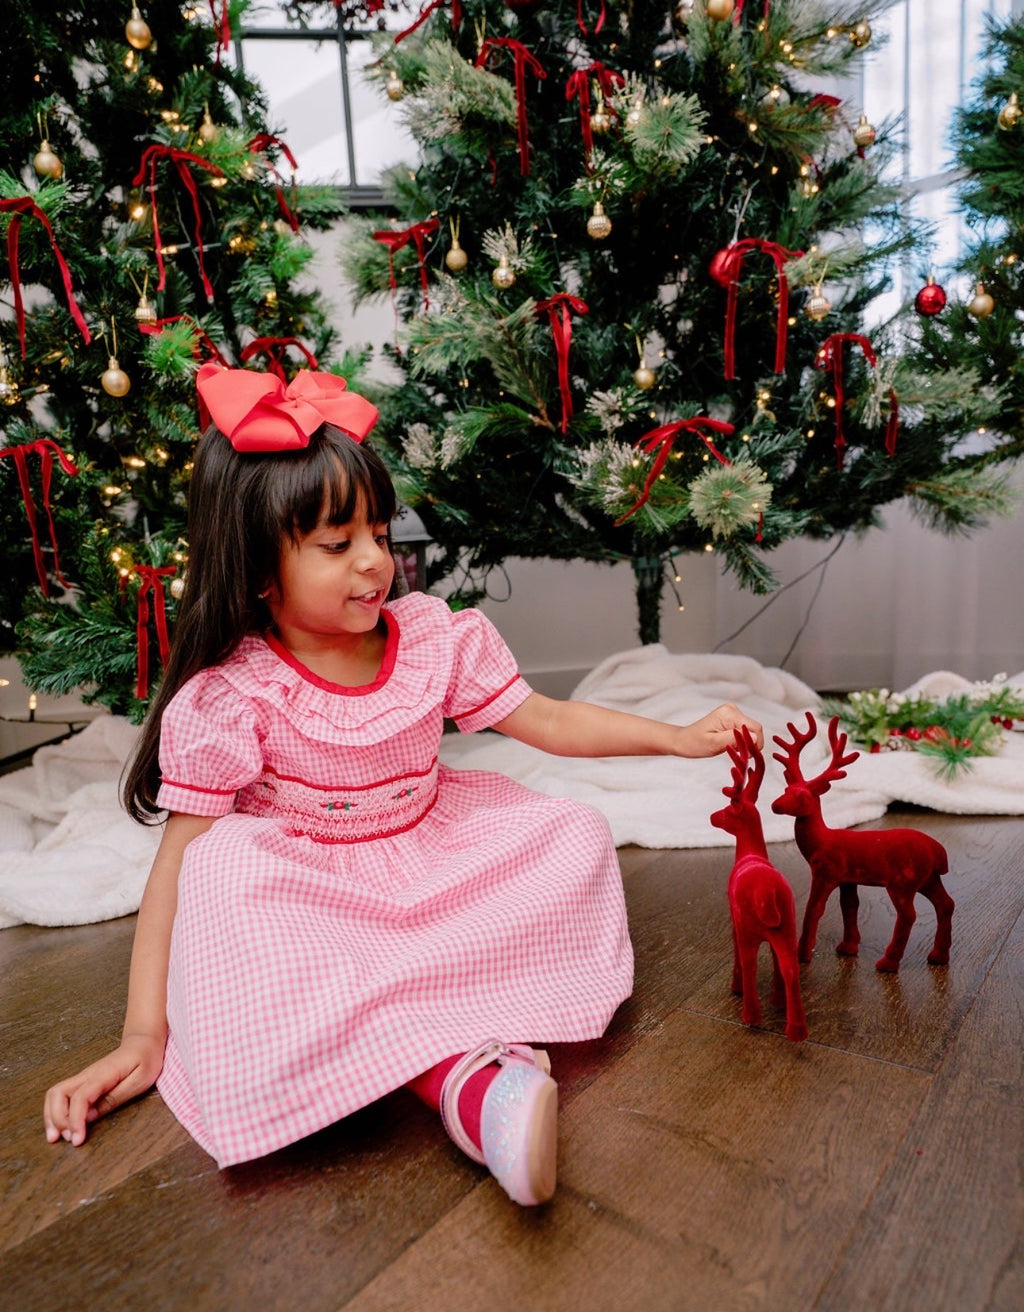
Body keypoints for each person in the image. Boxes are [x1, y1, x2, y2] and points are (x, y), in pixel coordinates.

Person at [43, 363, 763, 1207]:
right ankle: (466, 1080)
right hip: (316, 896)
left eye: (380, 534)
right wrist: (141, 1033)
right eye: (338, 545)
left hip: (431, 859)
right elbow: (177, 869)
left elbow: (552, 721)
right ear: (260, 569)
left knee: (570, 833)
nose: (375, 562)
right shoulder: (235, 693)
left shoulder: (429, 639)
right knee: (226, 875)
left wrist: (675, 739)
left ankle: (439, 1030)